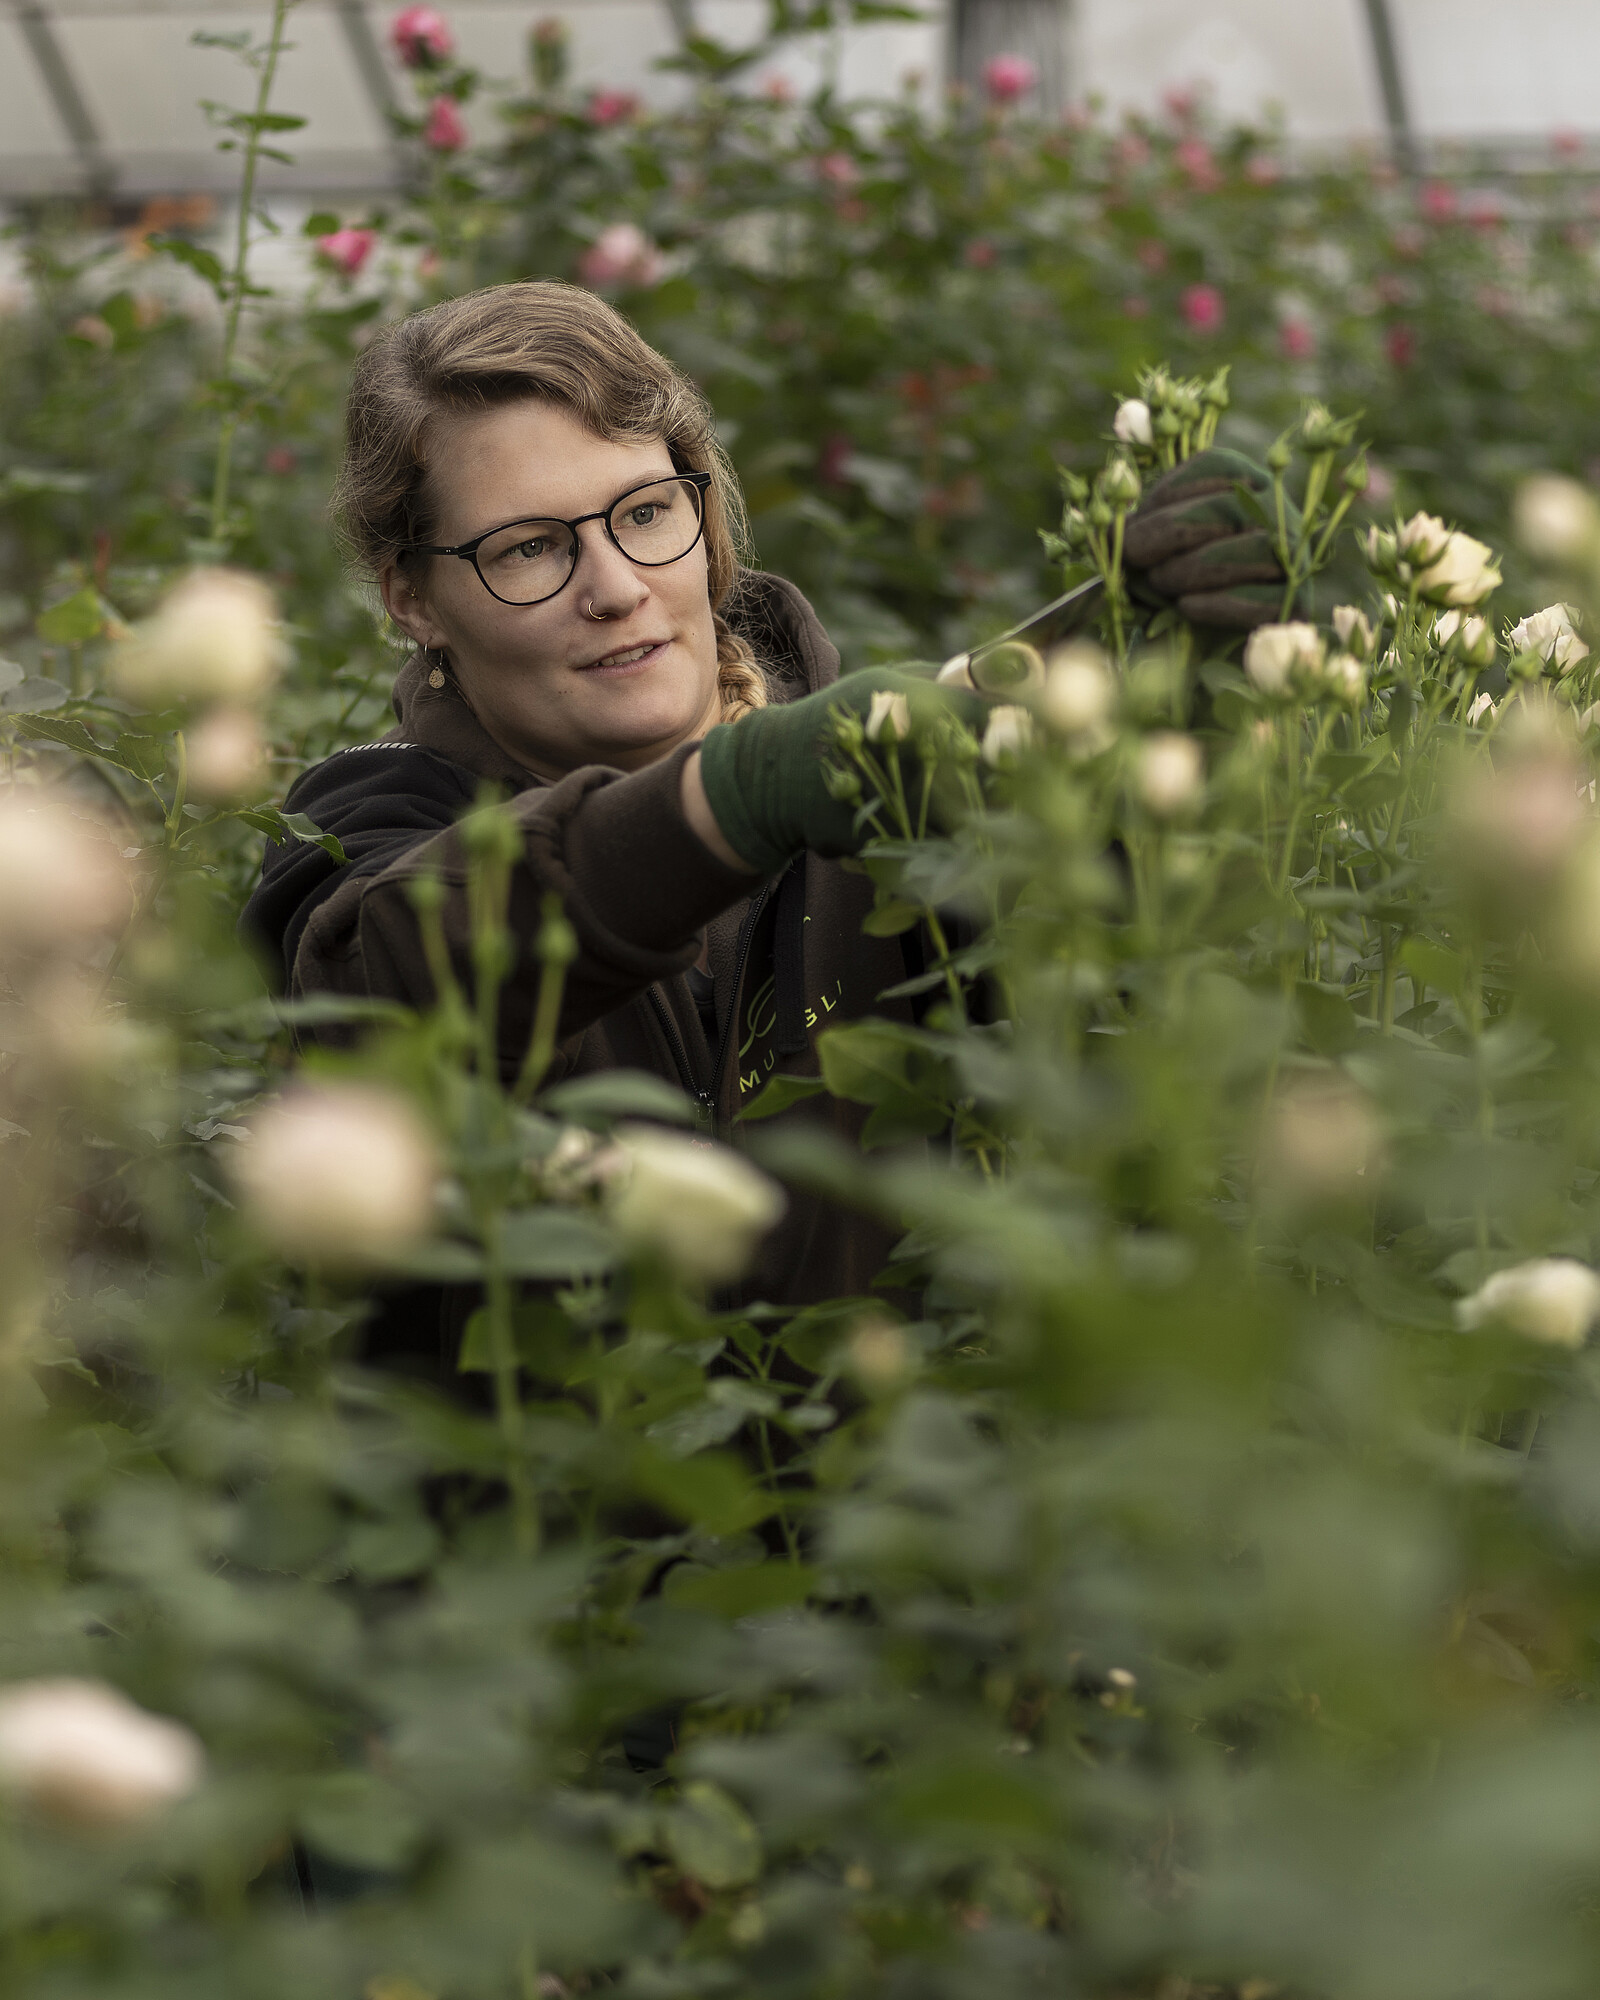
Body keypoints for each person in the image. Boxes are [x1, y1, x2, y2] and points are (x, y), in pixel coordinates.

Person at [243, 281, 1288, 1373]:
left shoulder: (897, 790)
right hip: (553, 1515)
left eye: (645, 512)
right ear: (411, 596)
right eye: (526, 549)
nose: (615, 587)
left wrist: (1197, 717)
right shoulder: (365, 826)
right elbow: (398, 974)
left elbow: (1138, 996)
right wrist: (737, 797)